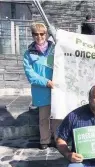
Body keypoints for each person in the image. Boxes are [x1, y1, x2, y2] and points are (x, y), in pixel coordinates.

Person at [23, 22, 60, 150]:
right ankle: (44, 140)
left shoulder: (55, 49)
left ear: (46, 34)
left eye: (42, 33)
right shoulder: (28, 54)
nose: (39, 36)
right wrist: (46, 82)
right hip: (42, 90)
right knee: (44, 117)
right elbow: (30, 74)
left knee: (57, 116)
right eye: (36, 34)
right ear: (32, 35)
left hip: (56, 88)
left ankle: (58, 139)